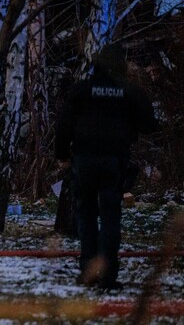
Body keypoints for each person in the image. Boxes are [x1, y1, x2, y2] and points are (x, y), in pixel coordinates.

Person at [55, 44, 158, 290]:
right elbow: (150, 125)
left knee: (86, 214)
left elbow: (64, 124)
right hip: (114, 160)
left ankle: (88, 271)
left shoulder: (82, 90)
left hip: (84, 159)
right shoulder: (130, 91)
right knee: (111, 216)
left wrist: (61, 154)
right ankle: (108, 276)